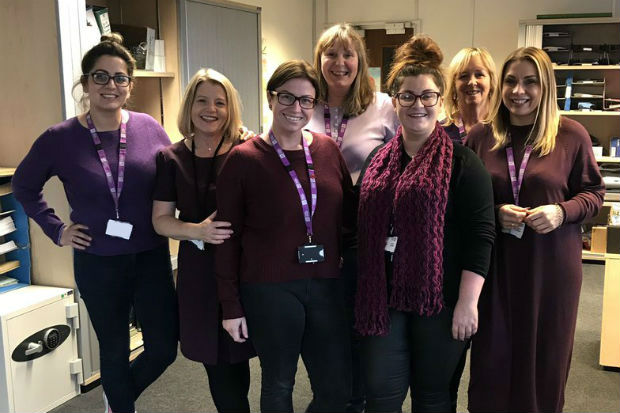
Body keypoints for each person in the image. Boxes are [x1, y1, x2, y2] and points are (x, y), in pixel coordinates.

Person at [12, 34, 178, 413]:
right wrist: (57, 229)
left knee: (164, 349)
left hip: (150, 255)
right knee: (114, 349)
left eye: (120, 78)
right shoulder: (60, 138)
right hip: (99, 260)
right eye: (100, 76)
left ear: (130, 86)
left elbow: (177, 174)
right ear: (85, 83)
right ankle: (120, 405)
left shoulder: (149, 127)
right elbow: (24, 185)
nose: (110, 86)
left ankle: (117, 397)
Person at [354, 35, 496, 413]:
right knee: (382, 395)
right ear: (395, 101)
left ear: (439, 99)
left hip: (442, 300)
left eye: (427, 96)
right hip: (381, 299)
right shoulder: (376, 162)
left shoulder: (465, 164)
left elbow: (481, 237)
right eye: (408, 96)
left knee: (433, 397)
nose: (418, 105)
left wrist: (468, 303)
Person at [466, 47, 604, 413]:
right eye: (511, 81)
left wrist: (562, 211)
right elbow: (462, 200)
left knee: (545, 360)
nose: (518, 91)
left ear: (546, 87)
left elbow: (594, 193)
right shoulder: (482, 136)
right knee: (492, 360)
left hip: (551, 268)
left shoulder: (571, 135)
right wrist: (494, 212)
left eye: (530, 82)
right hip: (494, 269)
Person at [216, 60, 353, 413]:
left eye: (306, 101)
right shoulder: (243, 160)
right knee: (279, 383)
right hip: (269, 289)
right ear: (271, 98)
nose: (296, 108)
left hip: (326, 285)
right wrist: (230, 306)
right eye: (287, 98)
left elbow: (349, 218)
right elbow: (226, 239)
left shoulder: (327, 150)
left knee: (335, 388)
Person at [151, 68, 255, 413]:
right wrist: (198, 231)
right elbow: (161, 221)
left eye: (220, 102)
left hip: (245, 268)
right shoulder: (171, 158)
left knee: (242, 355)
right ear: (190, 106)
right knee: (217, 362)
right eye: (202, 101)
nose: (211, 109)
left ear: (230, 109)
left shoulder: (247, 149)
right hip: (198, 273)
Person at [308, 22, 399, 412]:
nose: (340, 62)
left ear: (361, 62)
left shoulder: (383, 106)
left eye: (348, 54)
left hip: (365, 232)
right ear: (319, 60)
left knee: (360, 320)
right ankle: (329, 395)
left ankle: (357, 399)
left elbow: (403, 162)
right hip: (314, 230)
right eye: (331, 54)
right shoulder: (303, 101)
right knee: (323, 321)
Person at [443, 47, 498, 144]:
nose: (472, 82)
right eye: (463, 76)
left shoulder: (502, 130)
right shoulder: (441, 132)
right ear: (453, 85)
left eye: (479, 74)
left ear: (491, 82)